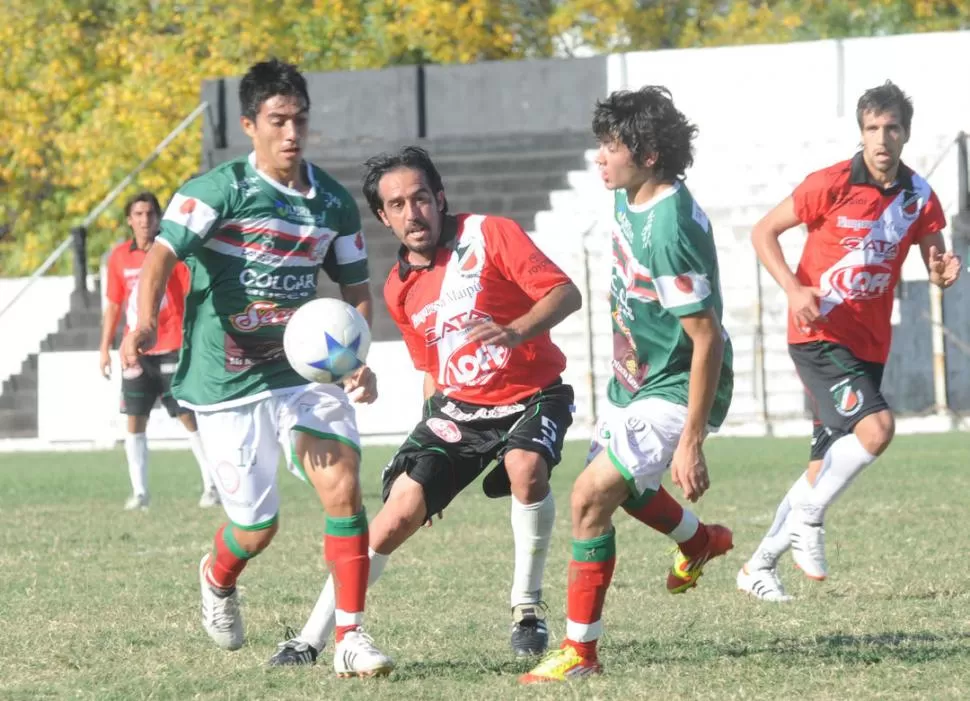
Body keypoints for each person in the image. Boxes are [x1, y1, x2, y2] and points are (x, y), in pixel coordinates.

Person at [119, 59, 393, 678]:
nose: (292, 132)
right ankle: (218, 577)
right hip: (225, 380)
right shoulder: (216, 191)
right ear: (250, 125)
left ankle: (349, 636)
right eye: (278, 120)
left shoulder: (332, 203)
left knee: (343, 481)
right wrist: (141, 323)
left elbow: (355, 289)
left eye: (300, 118)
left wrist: (358, 358)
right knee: (255, 527)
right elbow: (161, 258)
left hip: (302, 377)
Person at [268, 145, 583, 667]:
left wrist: (516, 330)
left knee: (524, 466)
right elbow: (432, 373)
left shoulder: (490, 233)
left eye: (420, 199)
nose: (412, 213)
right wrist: (428, 453)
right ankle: (311, 639)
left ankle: (526, 608)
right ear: (383, 217)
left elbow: (565, 294)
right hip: (457, 411)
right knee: (395, 518)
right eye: (397, 205)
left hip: (533, 394)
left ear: (440, 198)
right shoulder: (398, 289)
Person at [521, 86, 734, 683]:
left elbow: (707, 338)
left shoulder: (667, 227)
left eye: (610, 146)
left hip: (675, 382)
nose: (599, 157)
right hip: (635, 378)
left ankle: (579, 654)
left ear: (646, 154)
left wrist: (691, 441)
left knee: (589, 499)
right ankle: (699, 542)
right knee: (618, 490)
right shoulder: (631, 195)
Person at [736, 80, 961, 602]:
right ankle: (809, 520)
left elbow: (935, 259)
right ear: (861, 133)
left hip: (867, 346)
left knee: (822, 465)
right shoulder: (831, 183)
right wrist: (793, 290)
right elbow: (763, 232)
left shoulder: (919, 197)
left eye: (892, 128)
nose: (882, 138)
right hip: (818, 336)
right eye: (872, 128)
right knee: (878, 429)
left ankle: (758, 567)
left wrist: (941, 270)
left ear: (906, 134)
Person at [100, 191, 218, 510]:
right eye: (138, 214)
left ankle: (213, 485)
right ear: (129, 219)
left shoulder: (171, 254)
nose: (144, 220)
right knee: (134, 419)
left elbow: (191, 294)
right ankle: (140, 493)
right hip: (135, 352)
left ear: (158, 218)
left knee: (186, 416)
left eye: (150, 214)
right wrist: (104, 348)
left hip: (172, 346)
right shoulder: (119, 258)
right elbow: (113, 305)